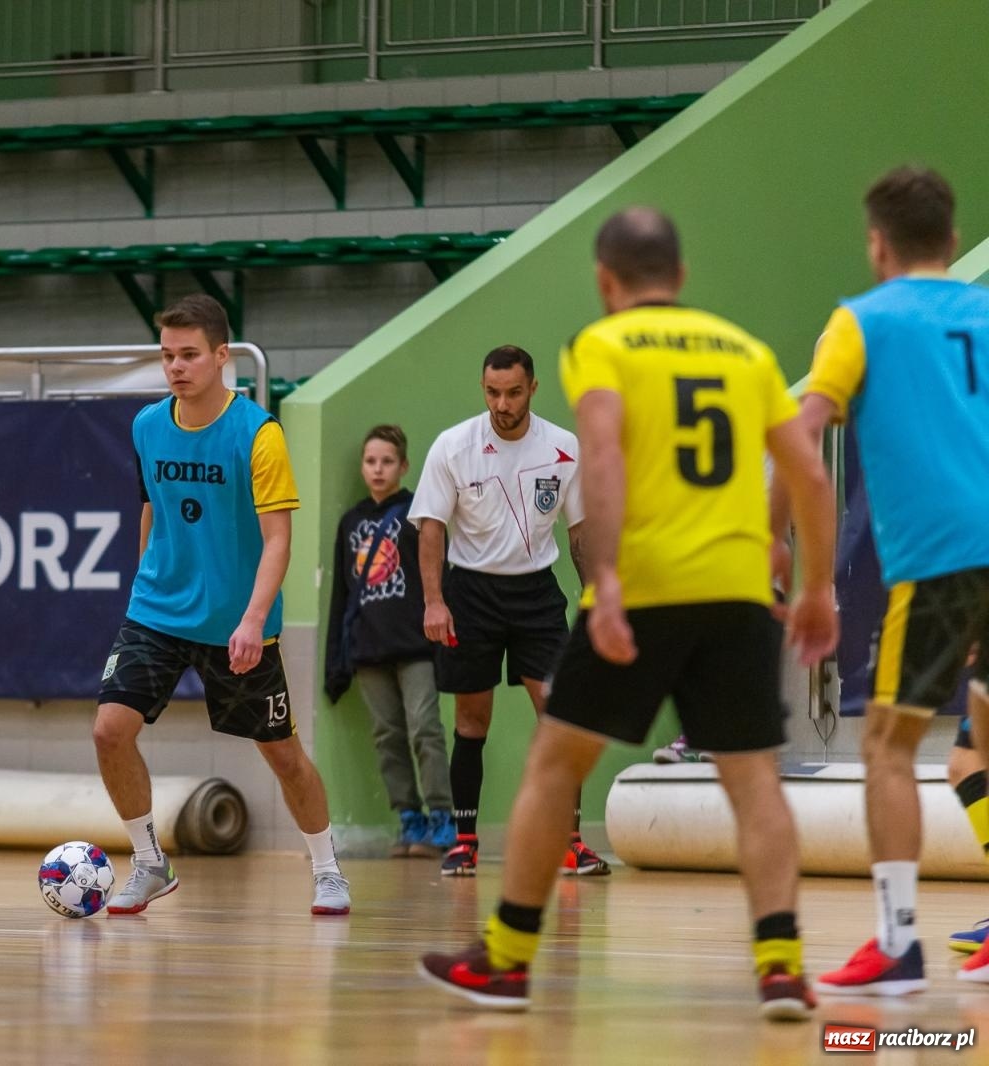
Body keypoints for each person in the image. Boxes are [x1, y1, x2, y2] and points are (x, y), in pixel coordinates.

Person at [418, 207, 839, 1020]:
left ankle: (506, 959)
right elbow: (810, 477)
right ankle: (782, 966)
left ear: (607, 283)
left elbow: (601, 456)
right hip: (738, 591)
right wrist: (813, 583)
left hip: (648, 590)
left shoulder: (603, 346)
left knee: (552, 764)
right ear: (680, 278)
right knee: (754, 784)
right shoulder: (745, 353)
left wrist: (605, 578)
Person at [787, 166, 989, 994]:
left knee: (887, 747)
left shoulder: (860, 321)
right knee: (974, 747)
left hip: (942, 560)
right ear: (951, 238)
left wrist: (806, 578)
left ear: (877, 244)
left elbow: (803, 440)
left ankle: (899, 944)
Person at [92, 293, 351, 917]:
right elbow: (150, 505)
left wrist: (253, 620)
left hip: (237, 621)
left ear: (220, 356)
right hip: (156, 611)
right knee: (108, 731)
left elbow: (278, 539)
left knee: (283, 756)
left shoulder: (258, 434)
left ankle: (327, 869)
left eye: (189, 355)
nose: (176, 367)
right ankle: (150, 863)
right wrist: (144, 577)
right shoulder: (147, 426)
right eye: (167, 356)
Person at [408, 345, 609, 878]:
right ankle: (465, 842)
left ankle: (570, 842)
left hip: (536, 595)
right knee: (472, 721)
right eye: (493, 392)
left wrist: (595, 602)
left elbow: (581, 533)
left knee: (561, 715)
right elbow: (431, 528)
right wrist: (434, 601)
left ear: (533, 389)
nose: (502, 403)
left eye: (513, 392)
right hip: (470, 593)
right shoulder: (453, 446)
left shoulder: (563, 448)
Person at [324, 424, 454, 858]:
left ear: (404, 466)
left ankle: (442, 819)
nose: (378, 470)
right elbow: (342, 595)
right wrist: (336, 663)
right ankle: (409, 819)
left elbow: (442, 580)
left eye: (387, 461)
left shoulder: (421, 515)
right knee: (387, 737)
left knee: (425, 730)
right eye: (370, 461)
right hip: (368, 650)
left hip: (417, 646)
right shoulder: (351, 522)